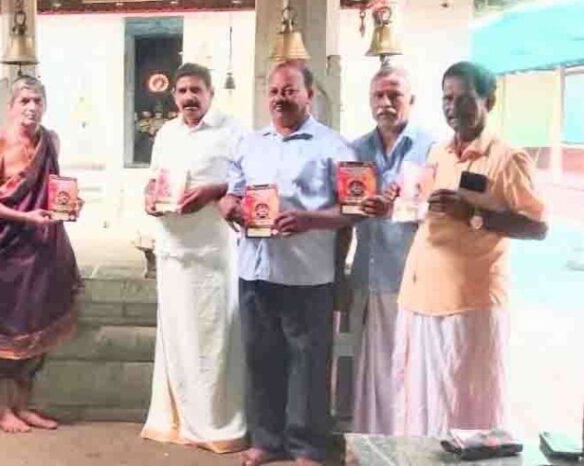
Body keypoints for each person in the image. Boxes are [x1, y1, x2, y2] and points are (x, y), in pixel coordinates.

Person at [392, 61, 546, 437]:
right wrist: (402, 203)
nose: (453, 107)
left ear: (488, 101)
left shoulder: (507, 158)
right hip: (420, 297)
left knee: (466, 409)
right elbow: (429, 213)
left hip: (469, 305)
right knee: (423, 408)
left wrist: (474, 214)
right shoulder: (438, 154)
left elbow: (537, 226)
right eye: (447, 98)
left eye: (464, 99)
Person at [218, 62, 356, 466]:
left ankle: (307, 446)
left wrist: (310, 219)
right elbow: (232, 194)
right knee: (261, 358)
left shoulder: (334, 146)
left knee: (308, 363)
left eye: (290, 90)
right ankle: (266, 440)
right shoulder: (250, 144)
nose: (281, 98)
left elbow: (354, 209)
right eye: (275, 91)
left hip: (307, 274)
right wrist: (229, 206)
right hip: (255, 270)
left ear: (309, 95)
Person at [140, 63, 247, 453]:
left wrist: (212, 191)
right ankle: (175, 419)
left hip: (213, 251)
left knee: (216, 337)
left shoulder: (232, 131)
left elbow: (247, 180)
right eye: (183, 91)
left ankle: (218, 422)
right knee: (178, 333)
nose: (189, 97)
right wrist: (149, 197)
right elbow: (155, 178)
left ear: (210, 93)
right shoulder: (167, 133)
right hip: (173, 248)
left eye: (196, 90)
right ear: (174, 96)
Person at [0, 76, 81, 433]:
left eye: (37, 101)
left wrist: (69, 204)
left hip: (46, 249)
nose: (31, 107)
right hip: (8, 250)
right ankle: (4, 408)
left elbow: (52, 190)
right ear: (11, 106)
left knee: (40, 326)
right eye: (24, 101)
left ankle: (25, 405)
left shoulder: (50, 141)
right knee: (9, 330)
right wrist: (24, 217)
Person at [348, 66, 435, 434]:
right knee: (370, 371)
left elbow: (438, 213)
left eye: (394, 95)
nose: (385, 102)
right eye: (378, 96)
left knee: (408, 371)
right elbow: (344, 213)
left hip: (412, 279)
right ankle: (370, 444)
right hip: (367, 277)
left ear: (410, 100)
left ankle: (406, 444)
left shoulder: (431, 148)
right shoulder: (356, 150)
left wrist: (396, 208)